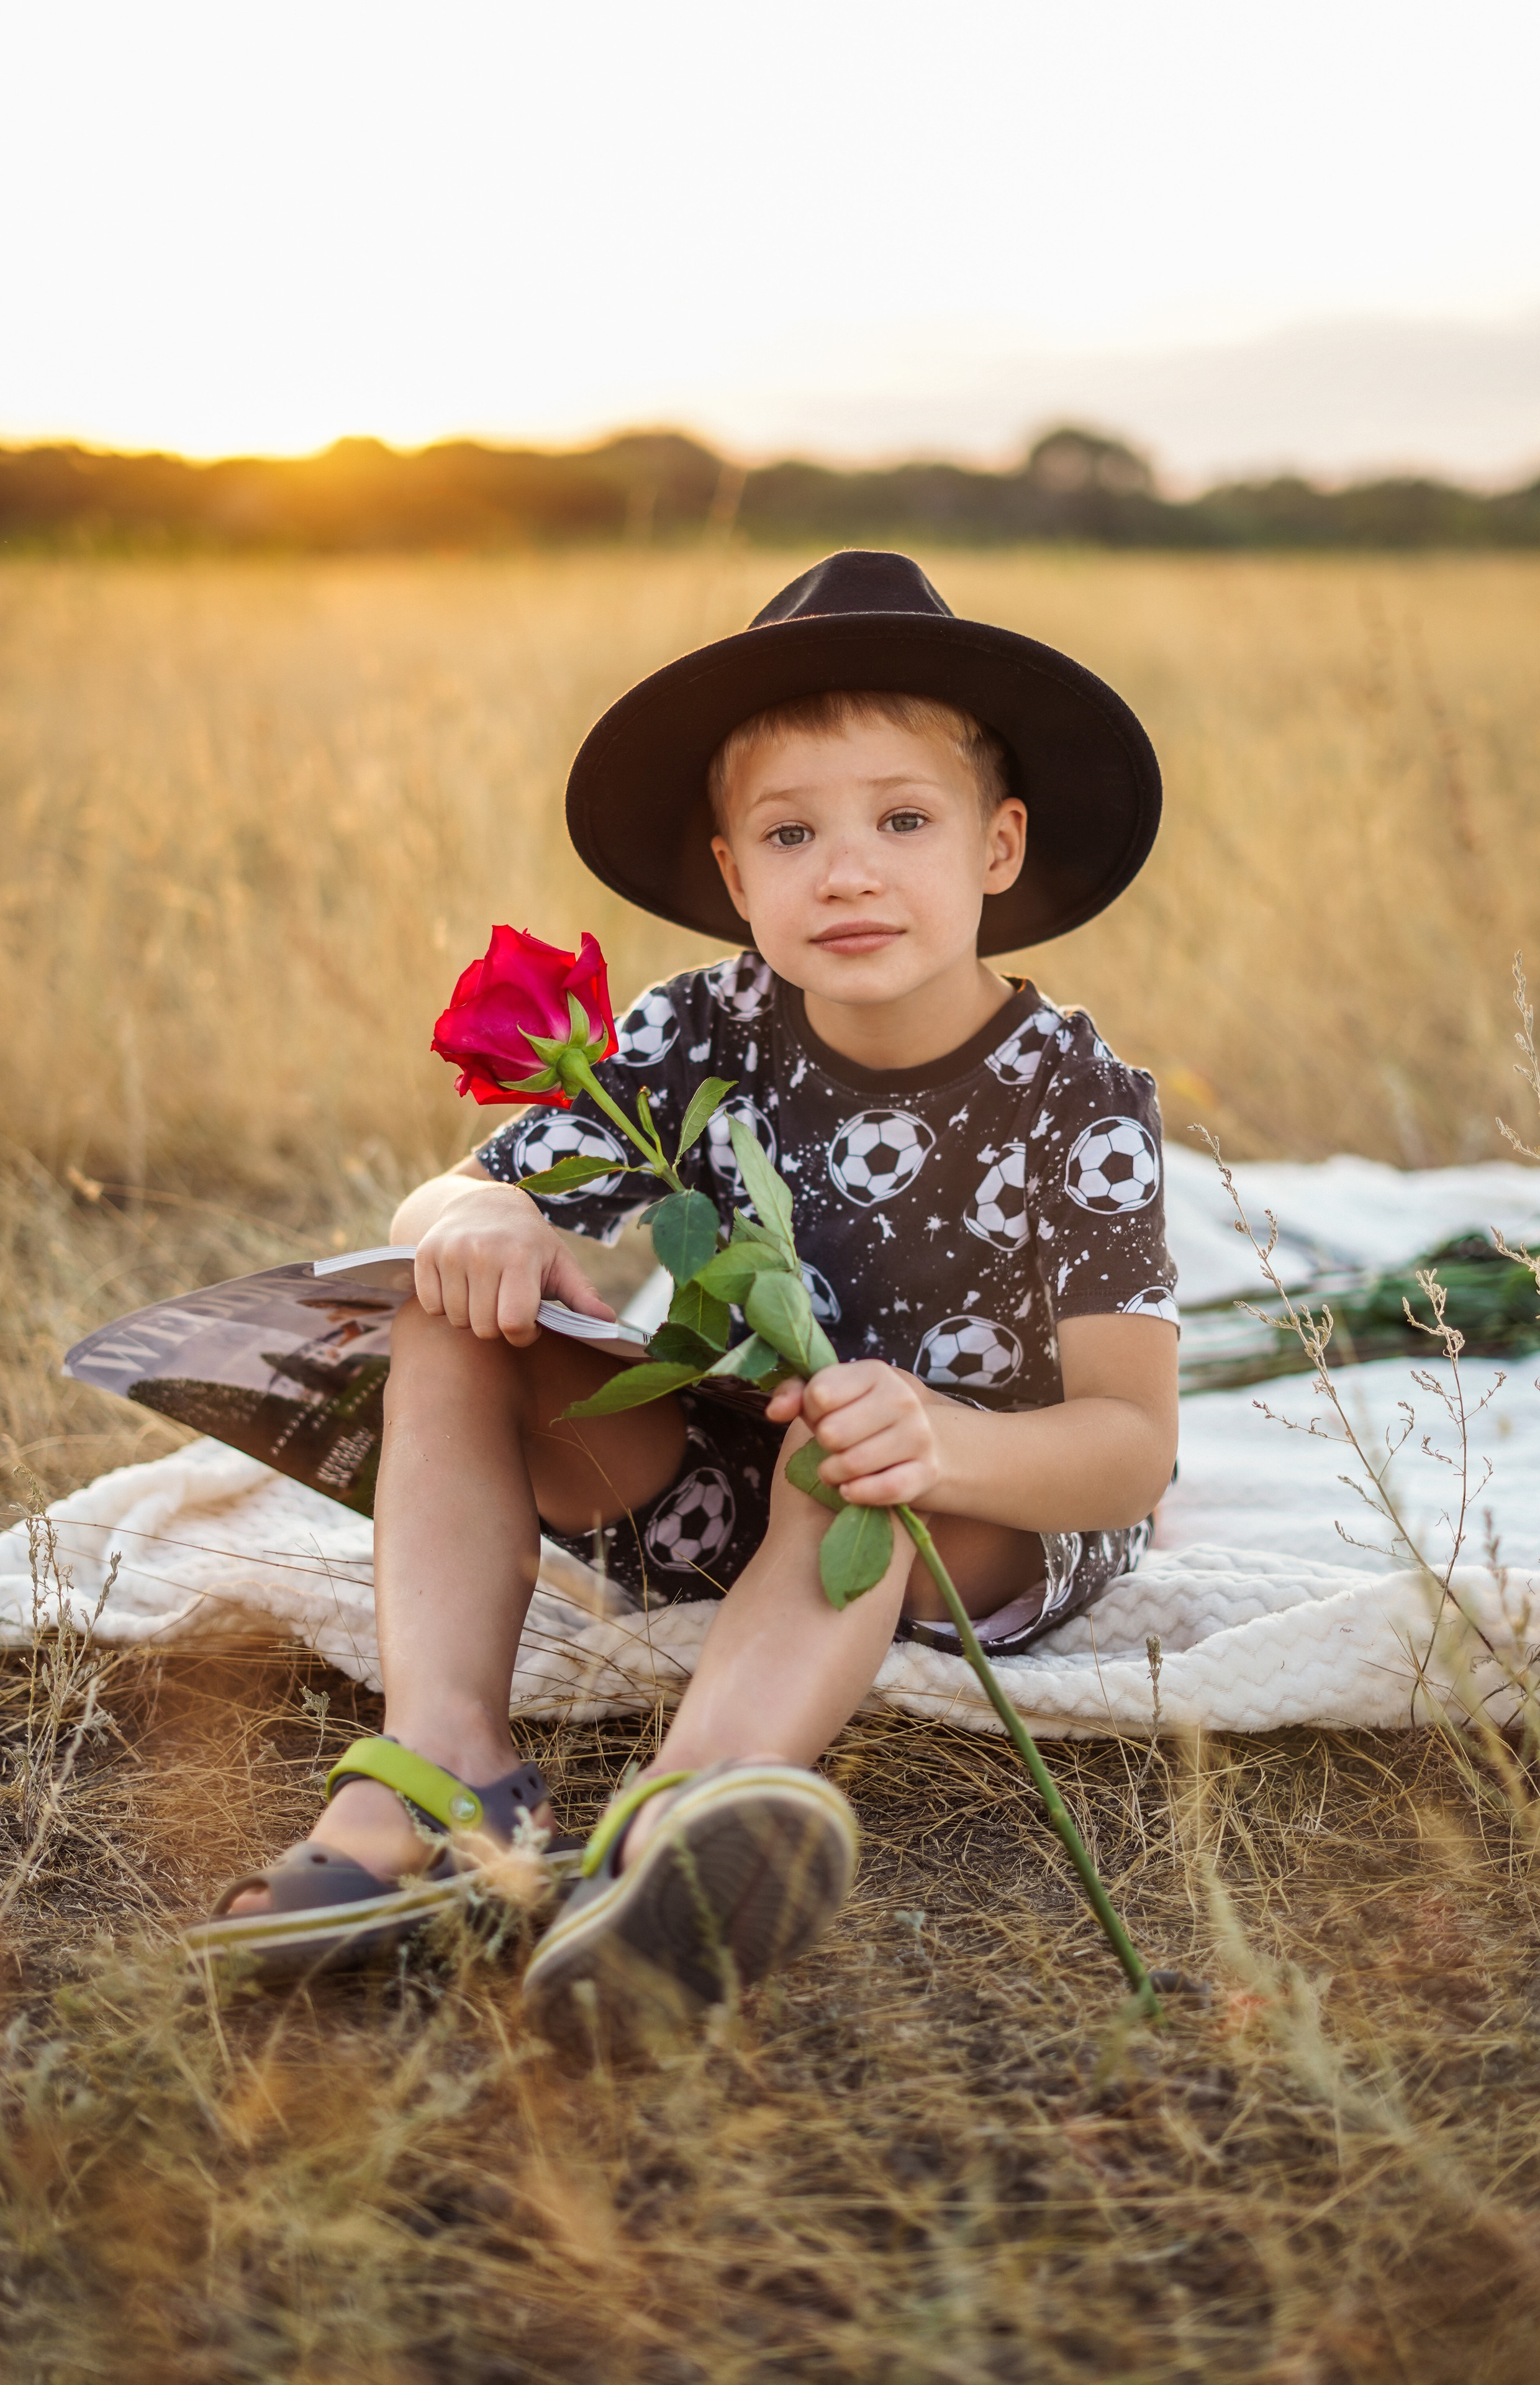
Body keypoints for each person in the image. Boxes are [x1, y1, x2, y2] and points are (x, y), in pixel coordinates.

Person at [192, 552, 1179, 2015]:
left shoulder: (1076, 1100)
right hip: (703, 1475)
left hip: (962, 1511)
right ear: (731, 875)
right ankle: (446, 1770)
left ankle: (678, 1827)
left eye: (902, 818)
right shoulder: (694, 1027)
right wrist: (473, 1215)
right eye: (788, 834)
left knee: (847, 1474)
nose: (843, 870)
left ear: (997, 845)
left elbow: (1125, 1449)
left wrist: (942, 1438)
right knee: (445, 1308)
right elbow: (459, 1194)